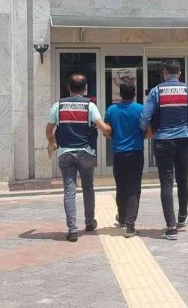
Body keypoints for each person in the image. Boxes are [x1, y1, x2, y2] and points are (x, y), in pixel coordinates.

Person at [140, 60, 188, 240]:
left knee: (166, 183)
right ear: (179, 73)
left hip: (162, 141)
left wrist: (146, 131)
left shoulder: (156, 91)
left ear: (164, 72)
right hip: (183, 141)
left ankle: (171, 228)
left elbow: (144, 117)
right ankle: (182, 216)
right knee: (183, 180)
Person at [45, 73, 111, 243]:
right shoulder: (90, 106)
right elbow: (102, 127)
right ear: (86, 88)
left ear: (68, 87)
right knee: (88, 187)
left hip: (65, 153)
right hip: (86, 153)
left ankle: (72, 229)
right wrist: (110, 131)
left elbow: (48, 131)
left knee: (69, 190)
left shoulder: (57, 106)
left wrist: (52, 142)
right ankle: (89, 222)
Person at [104, 82, 149, 238]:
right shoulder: (141, 109)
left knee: (120, 186)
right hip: (136, 152)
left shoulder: (111, 110)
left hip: (118, 153)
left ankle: (122, 218)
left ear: (120, 94)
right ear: (134, 94)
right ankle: (130, 225)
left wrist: (115, 138)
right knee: (134, 188)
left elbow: (107, 132)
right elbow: (149, 131)